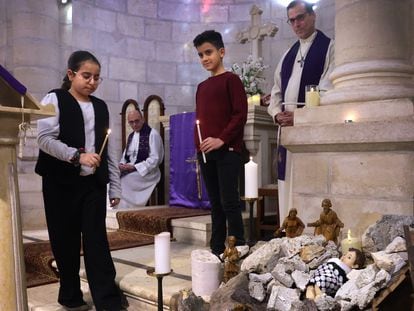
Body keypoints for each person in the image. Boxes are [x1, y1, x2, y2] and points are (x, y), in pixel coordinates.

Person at [35, 50, 126, 311]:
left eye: (97, 78)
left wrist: (114, 185)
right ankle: (71, 297)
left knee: (97, 239)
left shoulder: (100, 106)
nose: (92, 82)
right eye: (86, 76)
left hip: (92, 186)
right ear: (71, 74)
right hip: (60, 183)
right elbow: (45, 140)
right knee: (65, 240)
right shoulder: (55, 98)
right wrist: (77, 156)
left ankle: (107, 300)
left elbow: (107, 148)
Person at [267, 0, 335, 222]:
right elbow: (276, 90)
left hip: (311, 129)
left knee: (311, 184)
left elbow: (328, 88)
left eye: (301, 17)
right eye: (292, 20)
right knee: (287, 185)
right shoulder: (288, 54)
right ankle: (289, 233)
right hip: (286, 130)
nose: (296, 24)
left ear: (313, 16)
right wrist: (277, 113)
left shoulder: (329, 47)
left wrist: (300, 115)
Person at [192, 30, 248, 256]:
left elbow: (239, 115)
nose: (205, 58)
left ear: (221, 52)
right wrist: (200, 145)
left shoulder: (232, 80)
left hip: (228, 151)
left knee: (229, 202)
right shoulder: (202, 87)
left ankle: (239, 247)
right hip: (206, 153)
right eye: (200, 55)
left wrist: (221, 139)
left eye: (209, 52)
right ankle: (216, 249)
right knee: (215, 203)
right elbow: (201, 120)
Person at [118, 104, 164, 208]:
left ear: (142, 119)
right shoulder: (131, 136)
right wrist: (122, 165)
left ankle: (128, 210)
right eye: (131, 122)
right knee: (113, 179)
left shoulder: (152, 134)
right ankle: (115, 210)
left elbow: (155, 159)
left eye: (137, 121)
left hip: (148, 172)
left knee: (125, 181)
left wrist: (134, 167)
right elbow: (125, 156)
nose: (134, 124)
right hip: (132, 169)